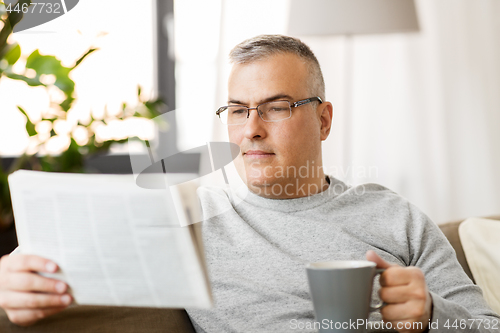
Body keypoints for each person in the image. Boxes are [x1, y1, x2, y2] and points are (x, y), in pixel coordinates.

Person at [0, 34, 498, 332]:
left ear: (323, 120)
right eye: (238, 110)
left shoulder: (396, 217)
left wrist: (432, 315)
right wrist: (10, 279)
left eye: (278, 107)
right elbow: (63, 257)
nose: (252, 128)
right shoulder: (185, 213)